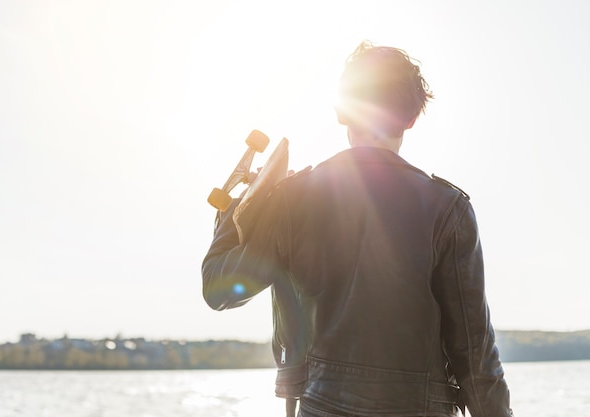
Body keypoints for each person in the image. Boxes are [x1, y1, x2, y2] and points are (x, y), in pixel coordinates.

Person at [202, 40, 513, 417]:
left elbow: (219, 289)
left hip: (320, 404)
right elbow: (475, 353)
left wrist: (240, 212)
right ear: (411, 118)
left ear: (341, 111)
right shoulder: (449, 208)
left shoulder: (290, 200)